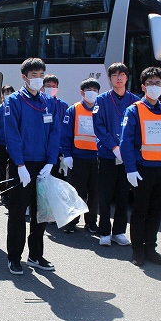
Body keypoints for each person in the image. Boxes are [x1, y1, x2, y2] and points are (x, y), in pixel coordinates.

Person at [3, 57, 60, 275]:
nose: (38, 79)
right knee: (18, 213)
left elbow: (55, 133)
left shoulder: (49, 102)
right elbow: (13, 135)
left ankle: (35, 255)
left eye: (41, 75)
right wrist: (19, 165)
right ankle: (14, 257)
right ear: (24, 77)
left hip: (43, 165)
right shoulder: (14, 101)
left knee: (40, 212)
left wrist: (50, 162)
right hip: (22, 166)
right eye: (34, 75)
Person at [120, 67, 161, 266]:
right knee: (140, 211)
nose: (154, 87)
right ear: (143, 86)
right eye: (150, 83)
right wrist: (130, 168)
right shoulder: (134, 110)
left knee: (156, 211)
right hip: (142, 169)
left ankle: (150, 248)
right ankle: (137, 249)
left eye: (157, 83)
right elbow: (126, 142)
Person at [93, 62, 138, 246]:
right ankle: (104, 230)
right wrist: (113, 147)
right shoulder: (102, 100)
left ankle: (118, 231)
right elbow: (99, 127)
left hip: (127, 157)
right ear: (110, 78)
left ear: (127, 77)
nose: (118, 78)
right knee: (105, 194)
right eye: (114, 75)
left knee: (123, 194)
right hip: (107, 154)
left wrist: (126, 150)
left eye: (122, 74)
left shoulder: (135, 101)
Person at [60, 78, 100, 234]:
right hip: (77, 157)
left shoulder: (100, 109)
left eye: (95, 90)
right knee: (75, 192)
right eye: (89, 90)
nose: (92, 93)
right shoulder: (74, 110)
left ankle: (91, 222)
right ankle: (72, 221)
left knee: (94, 192)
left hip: (96, 157)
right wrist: (67, 154)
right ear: (82, 93)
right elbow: (66, 134)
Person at [43, 73, 68, 180]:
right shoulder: (38, 103)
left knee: (57, 177)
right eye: (48, 86)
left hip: (57, 146)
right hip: (42, 146)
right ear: (42, 87)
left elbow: (66, 127)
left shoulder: (63, 105)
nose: (51, 88)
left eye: (54, 86)